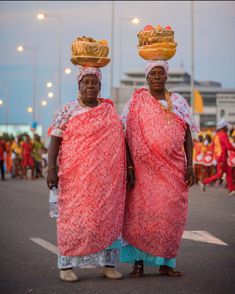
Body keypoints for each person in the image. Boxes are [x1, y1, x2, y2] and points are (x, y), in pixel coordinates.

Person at [47, 66, 126, 282]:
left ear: (100, 87)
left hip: (108, 180)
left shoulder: (109, 111)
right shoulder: (68, 110)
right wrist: (51, 168)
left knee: (108, 219)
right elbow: (54, 140)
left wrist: (127, 170)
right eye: (86, 83)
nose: (90, 86)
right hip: (76, 179)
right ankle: (66, 267)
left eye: (95, 83)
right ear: (79, 86)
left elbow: (119, 141)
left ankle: (108, 265)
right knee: (74, 220)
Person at [120, 60, 197, 278]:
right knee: (141, 215)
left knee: (170, 214)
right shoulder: (136, 102)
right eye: (153, 73)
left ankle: (166, 263)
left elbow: (188, 135)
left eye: (160, 73)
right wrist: (130, 165)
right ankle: (138, 263)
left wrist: (190, 165)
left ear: (166, 77)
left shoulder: (179, 103)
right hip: (143, 171)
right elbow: (125, 135)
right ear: (147, 77)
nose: (157, 77)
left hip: (173, 169)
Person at [201, 119, 235, 195]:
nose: (227, 128)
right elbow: (228, 146)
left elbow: (213, 147)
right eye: (226, 126)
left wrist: (214, 157)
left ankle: (232, 189)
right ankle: (204, 181)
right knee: (219, 174)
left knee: (229, 173)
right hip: (222, 158)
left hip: (220, 158)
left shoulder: (216, 135)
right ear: (223, 127)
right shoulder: (223, 135)